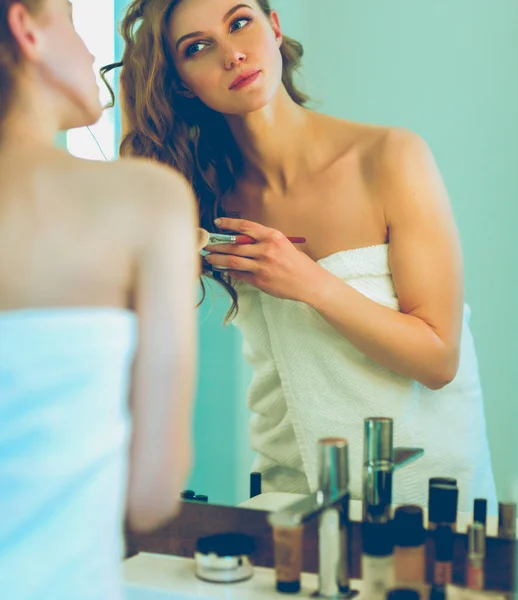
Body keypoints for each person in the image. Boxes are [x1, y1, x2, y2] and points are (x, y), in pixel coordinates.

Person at [104, 0, 497, 512]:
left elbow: (439, 358)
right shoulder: (206, 199)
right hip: (288, 493)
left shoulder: (390, 158)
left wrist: (308, 283)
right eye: (198, 48)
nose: (233, 55)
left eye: (240, 23)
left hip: (419, 501)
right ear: (180, 82)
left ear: (274, 26)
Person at [0, 0, 199, 598]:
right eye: (70, 19)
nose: (92, 52)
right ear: (26, 28)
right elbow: (152, 496)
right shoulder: (146, 199)